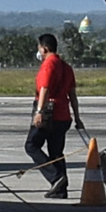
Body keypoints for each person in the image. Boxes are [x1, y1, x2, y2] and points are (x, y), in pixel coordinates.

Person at [25, 33, 80, 197]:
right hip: (64, 114)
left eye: (39, 49)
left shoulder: (49, 65)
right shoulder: (66, 67)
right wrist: (77, 117)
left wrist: (39, 111)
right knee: (56, 152)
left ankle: (56, 177)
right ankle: (60, 190)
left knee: (31, 145)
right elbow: (73, 95)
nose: (39, 52)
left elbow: (45, 89)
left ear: (44, 48)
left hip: (50, 113)